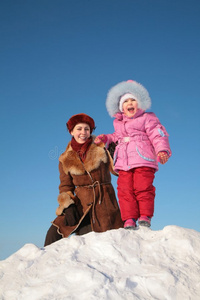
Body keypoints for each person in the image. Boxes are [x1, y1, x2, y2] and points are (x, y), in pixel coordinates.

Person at [94, 80, 172, 229]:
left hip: (143, 159)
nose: (130, 103)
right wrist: (106, 138)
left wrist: (162, 150)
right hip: (123, 162)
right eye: (126, 101)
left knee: (142, 187)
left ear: (140, 103)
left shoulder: (147, 118)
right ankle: (129, 218)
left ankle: (144, 216)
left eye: (133, 100)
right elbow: (117, 136)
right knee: (124, 190)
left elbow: (158, 134)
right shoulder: (118, 123)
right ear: (121, 107)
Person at [44, 113, 123, 246]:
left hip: (104, 203)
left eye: (86, 129)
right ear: (71, 131)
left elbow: (116, 171)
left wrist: (114, 153)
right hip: (82, 205)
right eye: (79, 129)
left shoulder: (102, 146)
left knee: (95, 242)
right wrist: (68, 207)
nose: (83, 132)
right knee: (53, 233)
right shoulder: (65, 159)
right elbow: (65, 186)